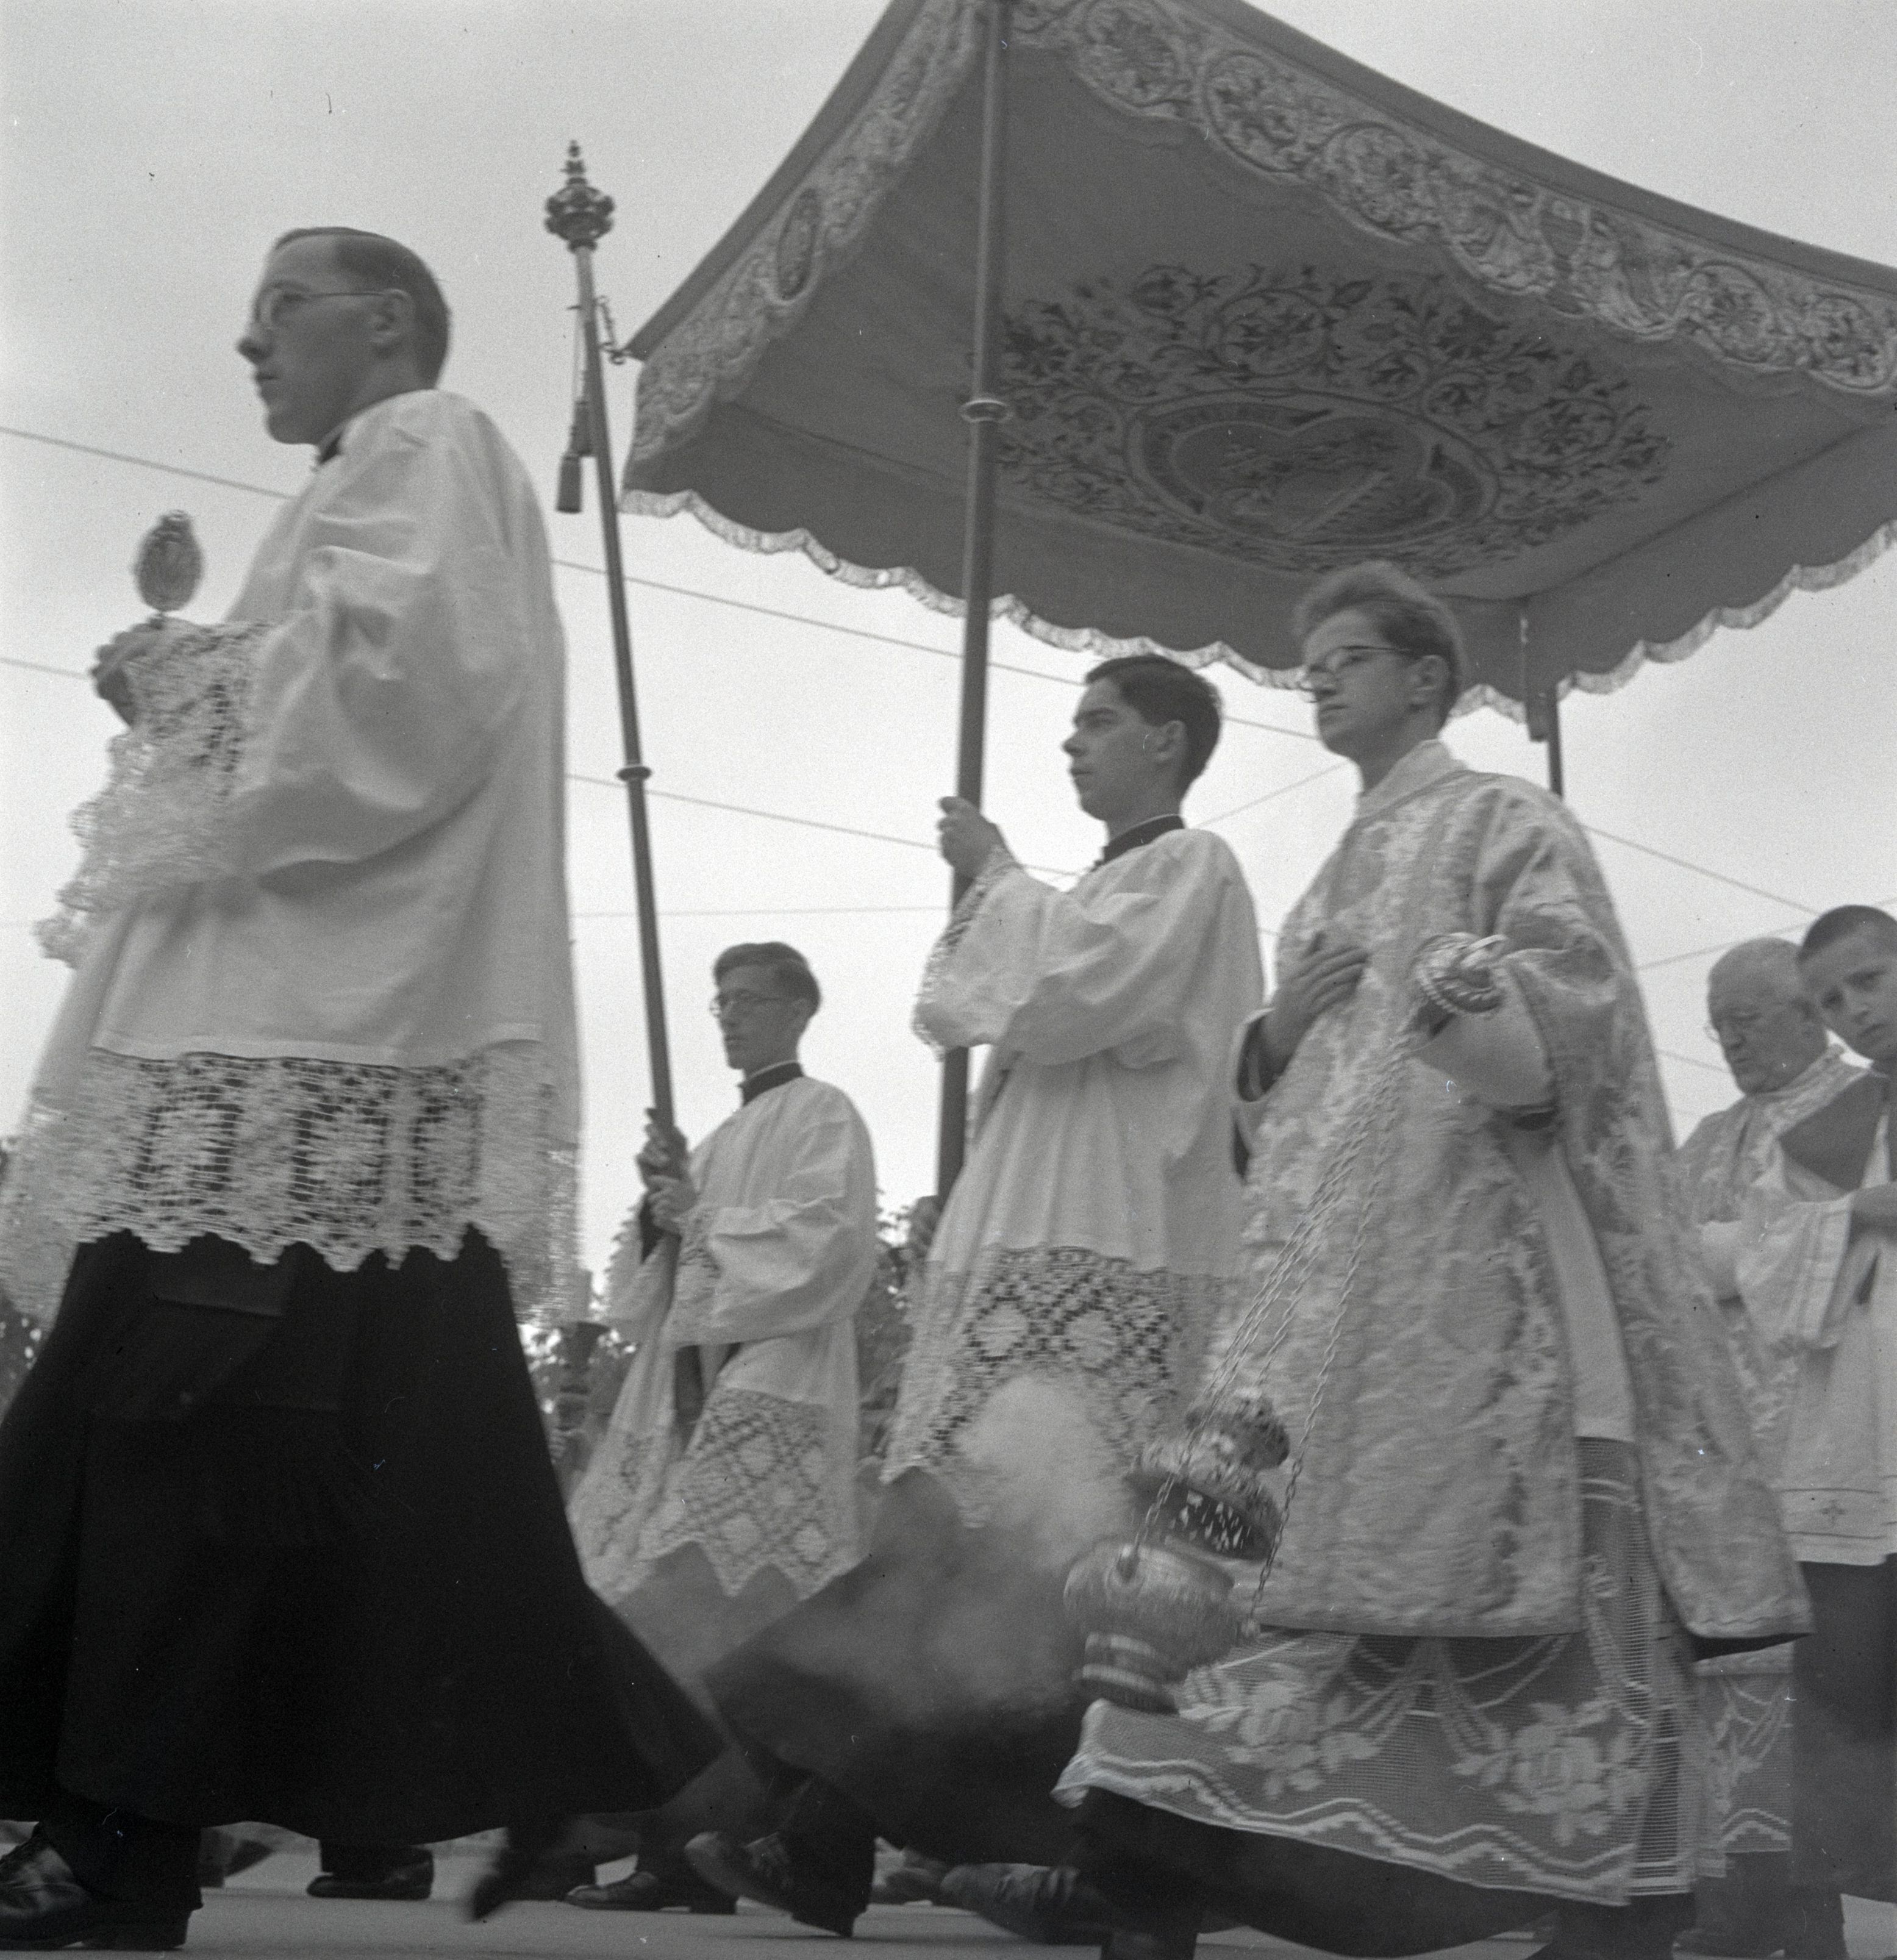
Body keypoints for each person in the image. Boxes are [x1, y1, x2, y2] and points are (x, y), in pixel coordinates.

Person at [0, 227, 714, 1950]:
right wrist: (196, 683)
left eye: (278, 314)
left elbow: (408, 692)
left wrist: (180, 676)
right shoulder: (363, 472)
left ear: (384, 323)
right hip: (312, 1068)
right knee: (374, 1476)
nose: (250, 348)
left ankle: (117, 1847)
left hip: (300, 1061)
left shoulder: (426, 437)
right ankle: (600, 1765)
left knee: (175, 1447)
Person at [956, 561, 1806, 1960]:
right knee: (1226, 1615)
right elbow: (1282, 1123)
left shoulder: (1503, 817)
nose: (1320, 678)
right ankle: (1133, 1871)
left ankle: (1594, 1911)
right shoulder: (1330, 874)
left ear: (1425, 678)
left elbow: (1577, 1009)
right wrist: (1277, 1038)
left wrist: (1473, 1010)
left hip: (1487, 1310)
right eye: (1313, 662)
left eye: (1349, 655)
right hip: (1313, 1329)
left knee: (1514, 1639)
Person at [684, 656, 1264, 1935]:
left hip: (1103, 1262)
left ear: (1168, 742)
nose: (1073, 742)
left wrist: (996, 872)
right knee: (957, 1565)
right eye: (1071, 723)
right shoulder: (1104, 885)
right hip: (1031, 1261)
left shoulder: (1193, 868)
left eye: (1098, 721)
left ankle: (857, 1835)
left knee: (1007, 1571)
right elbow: (1024, 1020)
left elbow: (1072, 999)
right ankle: (828, 1834)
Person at [564, 943, 877, 1914]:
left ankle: (684, 1853)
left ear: (799, 1009)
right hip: (691, 1394)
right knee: (661, 1617)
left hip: (771, 1387)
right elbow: (652, 1290)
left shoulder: (825, 1114)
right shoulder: (715, 1139)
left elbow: (825, 1247)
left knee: (717, 1620)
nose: (730, 1017)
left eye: (747, 1000)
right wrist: (660, 1212)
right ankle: (639, 1842)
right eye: (719, 1002)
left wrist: (699, 1219)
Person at [1674, 942, 1862, 1958]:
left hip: (1827, 1437)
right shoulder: (1711, 1136)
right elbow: (1657, 1251)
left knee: (1812, 1686)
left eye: (1746, 1020)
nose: (1731, 1042)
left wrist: (1720, 1251)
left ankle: (1803, 1907)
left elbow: (1851, 1249)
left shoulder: (1864, 1108)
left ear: (1808, 1013)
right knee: (1727, 1676)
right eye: (1719, 1025)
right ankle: (1741, 1900)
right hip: (1719, 1451)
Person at [1734, 905, 1897, 1947]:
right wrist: (1859, 1212)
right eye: (1833, 999)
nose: (1855, 1012)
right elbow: (1763, 1254)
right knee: (1851, 1721)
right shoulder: (1838, 1128)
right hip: (1864, 1450)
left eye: (1870, 981)